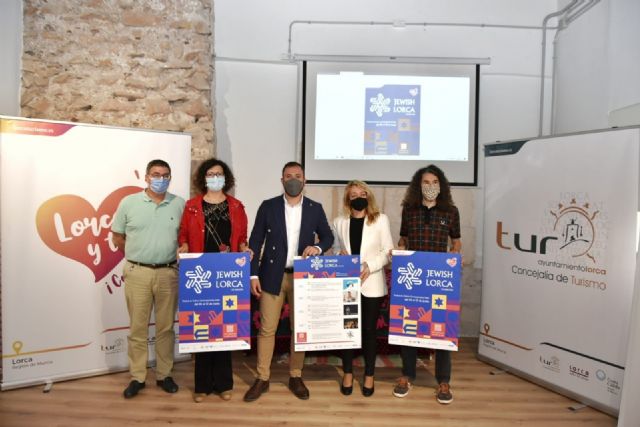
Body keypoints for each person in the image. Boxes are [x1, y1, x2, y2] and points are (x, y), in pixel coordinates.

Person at [243, 161, 334, 402]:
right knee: (267, 329)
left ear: (305, 180)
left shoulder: (315, 208)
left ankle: (295, 375)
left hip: (303, 278)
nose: (293, 179)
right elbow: (255, 241)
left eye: (298, 176)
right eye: (288, 176)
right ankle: (262, 378)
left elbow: (328, 236)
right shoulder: (268, 206)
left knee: (300, 329)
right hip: (271, 275)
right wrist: (253, 275)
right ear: (282, 180)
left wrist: (317, 247)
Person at [111, 159, 185, 399]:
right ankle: (137, 377)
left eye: (165, 175)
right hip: (138, 273)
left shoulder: (180, 204)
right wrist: (138, 256)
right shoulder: (129, 203)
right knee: (138, 328)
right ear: (146, 177)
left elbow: (185, 238)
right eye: (155, 174)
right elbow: (117, 236)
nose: (160, 179)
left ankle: (164, 374)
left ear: (170, 178)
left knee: (166, 328)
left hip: (168, 273)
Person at [177, 158, 249, 403]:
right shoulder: (191, 206)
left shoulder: (236, 206)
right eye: (210, 174)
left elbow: (242, 238)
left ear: (225, 178)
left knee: (225, 329)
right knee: (202, 329)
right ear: (203, 178)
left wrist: (245, 248)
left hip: (227, 275)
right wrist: (184, 245)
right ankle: (202, 386)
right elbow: (183, 235)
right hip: (201, 274)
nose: (215, 177)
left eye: (219, 173)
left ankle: (224, 383)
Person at [393, 164, 462, 404]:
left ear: (441, 185)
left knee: (442, 328)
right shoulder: (409, 210)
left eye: (434, 182)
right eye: (426, 182)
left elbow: (456, 241)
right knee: (409, 327)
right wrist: (400, 250)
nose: (430, 186)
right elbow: (403, 238)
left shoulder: (451, 211)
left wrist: (454, 254)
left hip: (439, 279)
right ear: (418, 186)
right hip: (414, 279)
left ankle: (443, 380)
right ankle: (407, 376)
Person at [331, 180, 393, 397]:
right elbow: (336, 249)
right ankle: (348, 373)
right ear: (348, 199)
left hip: (372, 284)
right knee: (348, 329)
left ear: (368, 196)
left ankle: (369, 375)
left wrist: (369, 266)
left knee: (368, 331)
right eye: (353, 195)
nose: (358, 197)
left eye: (362, 194)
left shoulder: (380, 219)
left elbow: (388, 251)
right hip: (348, 284)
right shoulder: (338, 222)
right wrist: (339, 255)